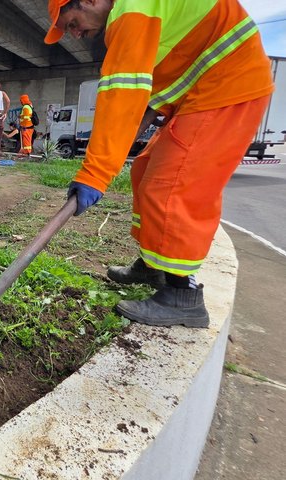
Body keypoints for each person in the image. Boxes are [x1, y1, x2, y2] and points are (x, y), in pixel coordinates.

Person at [44, 0, 274, 328]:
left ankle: (183, 295)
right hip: (203, 91)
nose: (76, 34)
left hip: (229, 85)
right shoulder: (135, 13)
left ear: (91, 0)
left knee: (172, 183)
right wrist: (115, 153)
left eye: (72, 23)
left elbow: (122, 95)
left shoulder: (130, 11)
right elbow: (144, 99)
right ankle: (155, 266)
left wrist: (95, 173)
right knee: (145, 168)